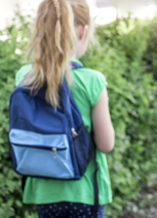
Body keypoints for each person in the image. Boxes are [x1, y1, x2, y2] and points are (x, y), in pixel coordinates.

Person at [15, 0, 115, 217]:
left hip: (44, 193)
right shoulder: (93, 81)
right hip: (86, 191)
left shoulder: (24, 76)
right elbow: (106, 145)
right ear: (83, 30)